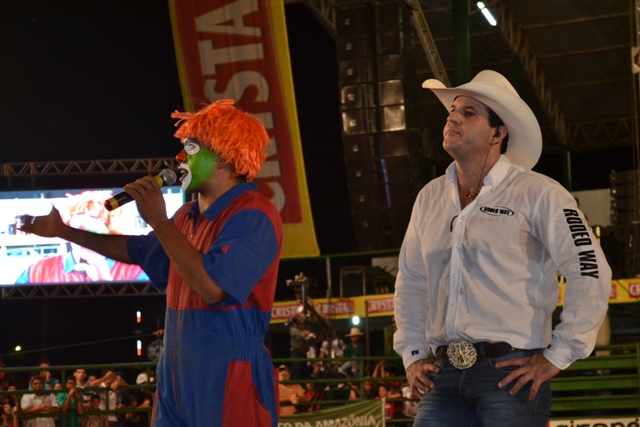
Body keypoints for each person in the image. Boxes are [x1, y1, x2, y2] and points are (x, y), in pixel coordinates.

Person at [19, 99, 283, 427]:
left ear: (225, 158)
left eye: (191, 148)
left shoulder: (254, 213)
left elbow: (213, 287)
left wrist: (158, 220)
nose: (180, 157)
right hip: (175, 376)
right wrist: (64, 231)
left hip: (230, 375)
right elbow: (138, 251)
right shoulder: (185, 216)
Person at [393, 70, 612, 426]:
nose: (453, 117)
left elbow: (589, 267)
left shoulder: (539, 192)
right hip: (442, 373)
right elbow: (411, 280)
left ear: (499, 133)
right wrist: (413, 352)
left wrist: (558, 355)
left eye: (468, 113)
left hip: (512, 373)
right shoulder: (429, 197)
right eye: (453, 110)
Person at [15, 192, 148, 284]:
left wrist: (105, 281)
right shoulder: (38, 271)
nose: (86, 225)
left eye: (96, 219)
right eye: (79, 220)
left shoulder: (133, 271)